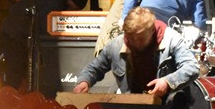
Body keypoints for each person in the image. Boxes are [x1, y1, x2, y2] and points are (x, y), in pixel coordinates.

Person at [72, 6, 200, 99]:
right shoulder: (116, 44)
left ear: (152, 31)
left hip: (167, 104)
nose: (135, 43)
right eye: (130, 38)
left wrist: (167, 82)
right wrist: (84, 81)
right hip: (131, 102)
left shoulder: (171, 38)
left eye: (140, 38)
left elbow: (192, 67)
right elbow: (94, 68)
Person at [0, 0, 90, 93]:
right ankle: (8, 98)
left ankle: (11, 96)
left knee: (18, 71)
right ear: (71, 1)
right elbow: (46, 30)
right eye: (74, 9)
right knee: (15, 70)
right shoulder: (52, 2)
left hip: (15, 33)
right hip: (16, 35)